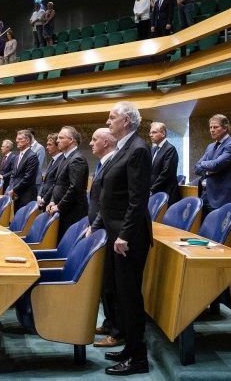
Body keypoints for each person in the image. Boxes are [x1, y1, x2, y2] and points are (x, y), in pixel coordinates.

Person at [88, 101, 151, 376]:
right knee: (121, 296)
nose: (108, 121)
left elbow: (138, 199)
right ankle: (129, 348)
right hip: (117, 234)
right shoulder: (124, 148)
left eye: (112, 117)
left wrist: (124, 234)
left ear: (126, 120)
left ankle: (138, 359)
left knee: (130, 297)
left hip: (128, 238)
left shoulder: (138, 149)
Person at [87, 128, 122, 349]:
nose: (91, 143)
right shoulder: (103, 163)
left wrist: (96, 224)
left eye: (94, 139)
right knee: (105, 282)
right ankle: (109, 323)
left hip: (109, 229)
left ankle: (118, 331)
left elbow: (106, 202)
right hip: (100, 227)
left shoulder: (113, 163)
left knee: (112, 283)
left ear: (107, 142)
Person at [43, 126, 89, 242]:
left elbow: (75, 188)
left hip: (72, 213)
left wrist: (59, 206)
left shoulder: (77, 159)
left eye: (61, 138)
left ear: (71, 140)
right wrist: (52, 201)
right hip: (62, 210)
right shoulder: (65, 158)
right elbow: (57, 184)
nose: (57, 140)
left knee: (67, 244)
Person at [194, 114, 231, 216]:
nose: (212, 130)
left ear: (225, 128)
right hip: (204, 194)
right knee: (203, 225)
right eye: (210, 127)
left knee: (216, 226)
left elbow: (216, 165)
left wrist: (204, 164)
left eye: (215, 127)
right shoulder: (210, 146)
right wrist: (208, 170)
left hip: (221, 196)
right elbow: (196, 167)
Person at [149, 122, 180, 205]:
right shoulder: (153, 149)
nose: (151, 135)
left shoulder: (170, 149)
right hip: (155, 191)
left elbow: (166, 172)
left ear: (163, 134)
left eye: (154, 132)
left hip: (167, 192)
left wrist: (152, 189)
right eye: (150, 132)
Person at [8, 130, 39, 212]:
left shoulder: (32, 156)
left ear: (27, 140)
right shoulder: (17, 157)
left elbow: (28, 178)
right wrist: (12, 188)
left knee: (23, 218)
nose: (17, 141)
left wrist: (14, 190)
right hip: (16, 194)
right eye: (17, 139)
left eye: (20, 139)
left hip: (26, 195)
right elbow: (13, 175)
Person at [37, 133, 63, 210]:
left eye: (50, 145)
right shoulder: (52, 160)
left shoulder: (62, 161)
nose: (47, 147)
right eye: (47, 144)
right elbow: (45, 181)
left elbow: (55, 184)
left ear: (58, 146)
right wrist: (39, 195)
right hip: (44, 200)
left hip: (53, 201)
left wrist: (44, 198)